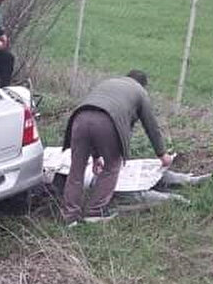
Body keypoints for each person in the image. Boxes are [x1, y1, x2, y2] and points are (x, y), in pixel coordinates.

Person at [61, 70, 173, 226]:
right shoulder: (140, 91)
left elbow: (93, 117)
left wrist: (95, 157)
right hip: (108, 121)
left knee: (76, 170)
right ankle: (94, 212)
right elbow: (151, 126)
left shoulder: (110, 82)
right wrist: (162, 154)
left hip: (79, 118)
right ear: (143, 84)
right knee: (112, 166)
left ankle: (70, 217)